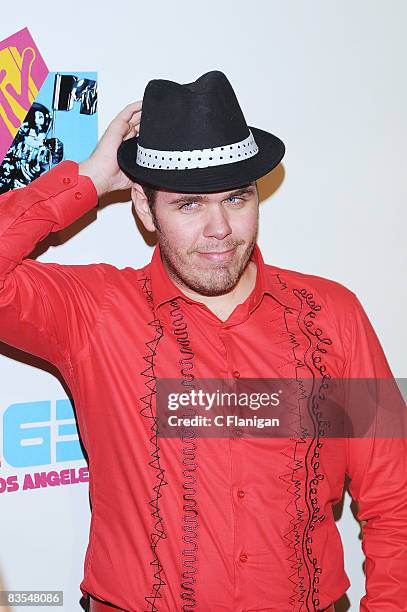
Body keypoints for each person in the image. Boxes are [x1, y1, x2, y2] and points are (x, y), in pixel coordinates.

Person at [0, 70, 406, 612]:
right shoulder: (94, 311)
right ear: (144, 209)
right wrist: (91, 180)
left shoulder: (332, 314)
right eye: (189, 204)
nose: (220, 228)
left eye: (236, 199)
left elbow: (395, 501)